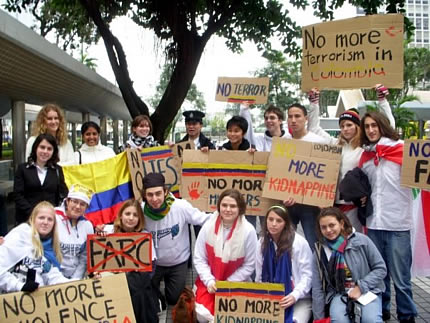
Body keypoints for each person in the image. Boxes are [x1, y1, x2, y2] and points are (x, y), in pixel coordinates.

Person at [307, 85, 393, 231]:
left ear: (357, 126)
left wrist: (382, 101)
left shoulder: (365, 148)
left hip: (354, 204)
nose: (345, 129)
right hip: (333, 203)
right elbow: (314, 129)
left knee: (352, 240)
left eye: (349, 125)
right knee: (336, 240)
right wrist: (314, 104)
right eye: (342, 126)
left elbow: (388, 127)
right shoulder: (333, 144)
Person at [359, 111, 417, 323]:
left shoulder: (403, 151)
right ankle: (381, 312)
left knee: (401, 279)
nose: (371, 130)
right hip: (374, 224)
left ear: (382, 126)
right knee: (378, 274)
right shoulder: (365, 157)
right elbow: (364, 187)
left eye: (375, 125)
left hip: (398, 224)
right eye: (367, 126)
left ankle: (407, 316)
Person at [141, 172, 211, 306]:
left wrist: (225, 215)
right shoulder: (140, 210)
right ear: (144, 195)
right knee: (147, 293)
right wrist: (103, 230)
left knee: (173, 299)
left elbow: (202, 219)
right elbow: (126, 226)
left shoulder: (180, 206)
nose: (154, 199)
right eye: (150, 195)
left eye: (158, 193)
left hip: (178, 262)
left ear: (165, 192)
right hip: (155, 264)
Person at [312, 207, 386, 323]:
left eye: (332, 225)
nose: (328, 230)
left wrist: (360, 287)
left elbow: (381, 269)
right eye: (324, 227)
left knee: (371, 319)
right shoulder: (319, 250)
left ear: (341, 223)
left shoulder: (362, 240)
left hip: (368, 291)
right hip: (338, 293)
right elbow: (317, 287)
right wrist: (318, 318)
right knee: (339, 320)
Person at [193, 189, 257, 322]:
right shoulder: (208, 226)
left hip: (236, 282)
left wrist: (228, 284)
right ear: (219, 206)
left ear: (240, 208)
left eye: (233, 206)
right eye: (224, 205)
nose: (228, 209)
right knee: (202, 315)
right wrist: (209, 281)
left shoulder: (249, 231)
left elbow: (250, 265)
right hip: (210, 282)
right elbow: (199, 258)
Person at [101, 199, 159, 323]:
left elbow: (152, 267)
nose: (131, 218)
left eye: (135, 215)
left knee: (139, 281)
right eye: (127, 214)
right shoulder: (107, 231)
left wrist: (142, 270)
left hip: (136, 282)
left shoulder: (144, 236)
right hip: (113, 279)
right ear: (121, 215)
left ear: (140, 219)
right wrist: (101, 237)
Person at [282, 103, 328, 250]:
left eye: (297, 116)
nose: (293, 120)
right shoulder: (283, 143)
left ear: (306, 118)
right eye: (290, 117)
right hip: (288, 202)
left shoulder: (319, 142)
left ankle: (317, 272)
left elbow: (327, 173)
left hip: (311, 204)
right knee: (287, 243)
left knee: (314, 243)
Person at [255, 205, 312, 323]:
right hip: (270, 298)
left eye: (279, 220)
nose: (274, 224)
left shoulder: (298, 243)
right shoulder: (262, 242)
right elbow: (259, 276)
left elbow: (308, 276)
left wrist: (294, 295)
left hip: (299, 299)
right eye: (270, 220)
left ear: (286, 223)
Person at [0, 201, 69, 293]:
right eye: (41, 218)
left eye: (50, 219)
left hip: (35, 301)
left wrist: (85, 281)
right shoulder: (20, 235)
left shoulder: (46, 245)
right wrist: (20, 286)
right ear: (33, 219)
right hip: (11, 301)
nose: (45, 222)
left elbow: (52, 276)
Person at [14, 133, 68, 224]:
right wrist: (34, 213)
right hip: (27, 219)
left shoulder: (57, 170)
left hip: (50, 220)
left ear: (53, 151)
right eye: (42, 147)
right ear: (35, 148)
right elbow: (18, 195)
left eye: (49, 149)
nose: (45, 151)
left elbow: (63, 194)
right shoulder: (23, 169)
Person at [55, 184, 94, 279]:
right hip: (53, 276)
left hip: (75, 279)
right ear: (67, 201)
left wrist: (75, 279)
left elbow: (84, 256)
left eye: (82, 204)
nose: (78, 206)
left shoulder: (87, 225)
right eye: (74, 201)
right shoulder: (53, 217)